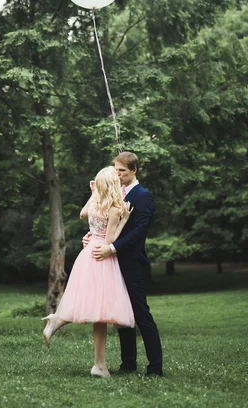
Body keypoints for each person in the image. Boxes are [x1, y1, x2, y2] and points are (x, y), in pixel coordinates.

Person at [41, 166, 135, 378]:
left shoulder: (95, 204)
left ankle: (97, 363)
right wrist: (125, 220)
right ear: (114, 184)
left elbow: (83, 214)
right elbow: (110, 241)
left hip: (87, 256)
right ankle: (98, 365)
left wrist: (93, 193)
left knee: (93, 308)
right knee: (100, 311)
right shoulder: (113, 208)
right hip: (101, 257)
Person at [90, 151, 164, 377]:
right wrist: (93, 238)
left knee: (141, 314)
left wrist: (111, 248)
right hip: (111, 263)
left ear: (134, 170)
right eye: (116, 169)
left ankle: (155, 368)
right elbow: (102, 223)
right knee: (121, 316)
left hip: (132, 263)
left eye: (122, 170)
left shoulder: (144, 196)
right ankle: (128, 363)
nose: (118, 174)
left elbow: (139, 233)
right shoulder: (114, 194)